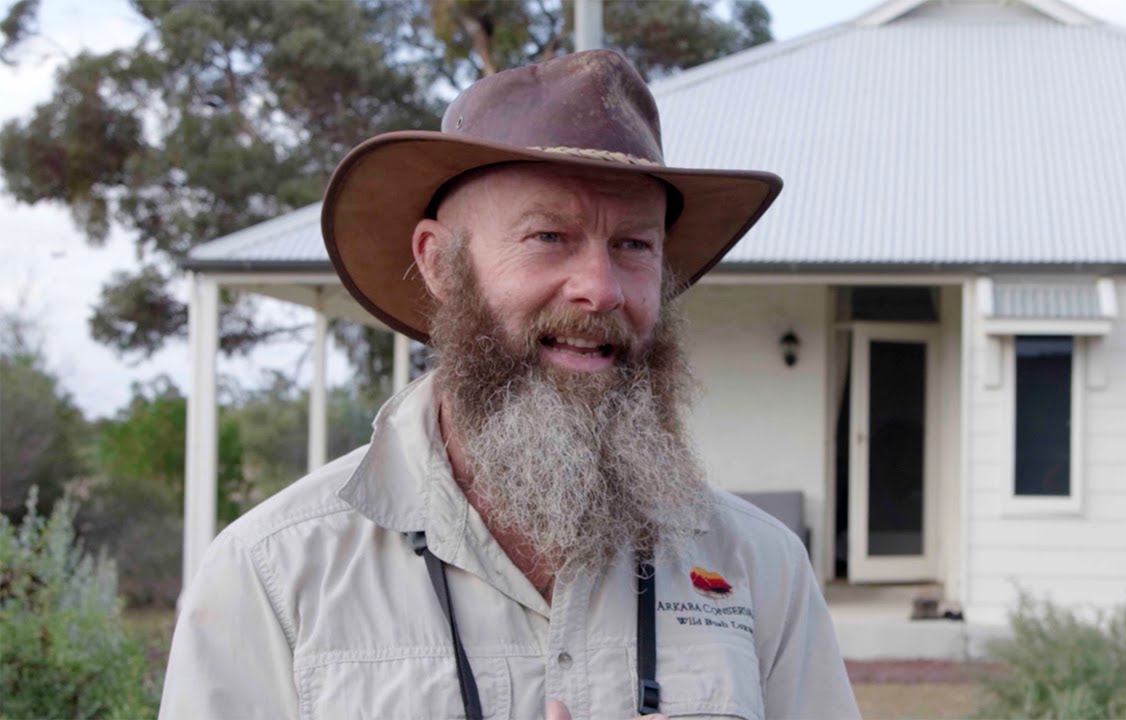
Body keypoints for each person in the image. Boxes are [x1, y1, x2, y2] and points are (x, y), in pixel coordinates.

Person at [160, 49, 859, 720]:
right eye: (548, 237)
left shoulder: (759, 569)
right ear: (439, 262)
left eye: (634, 245)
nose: (600, 290)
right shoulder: (275, 575)